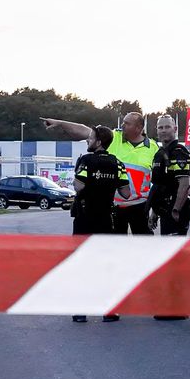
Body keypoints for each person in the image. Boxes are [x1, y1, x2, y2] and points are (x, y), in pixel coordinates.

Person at [42, 111, 157, 235]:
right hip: (115, 206)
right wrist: (59, 123)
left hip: (139, 206)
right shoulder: (113, 137)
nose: (122, 125)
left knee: (144, 245)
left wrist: (154, 209)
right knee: (114, 246)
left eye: (127, 123)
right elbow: (84, 130)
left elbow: (157, 181)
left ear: (139, 128)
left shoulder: (153, 147)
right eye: (123, 122)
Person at [70, 125, 132, 323]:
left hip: (85, 217)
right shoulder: (117, 163)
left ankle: (80, 311)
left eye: (91, 137)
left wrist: (89, 186)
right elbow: (126, 193)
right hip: (106, 219)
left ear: (98, 141)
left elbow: (79, 185)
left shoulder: (86, 160)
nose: (88, 140)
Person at [148, 114, 190, 236]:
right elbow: (160, 185)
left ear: (175, 129)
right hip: (164, 210)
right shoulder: (160, 153)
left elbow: (184, 185)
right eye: (160, 127)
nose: (163, 130)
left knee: (175, 249)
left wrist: (176, 210)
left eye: (167, 127)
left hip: (176, 211)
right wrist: (155, 211)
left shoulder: (179, 152)